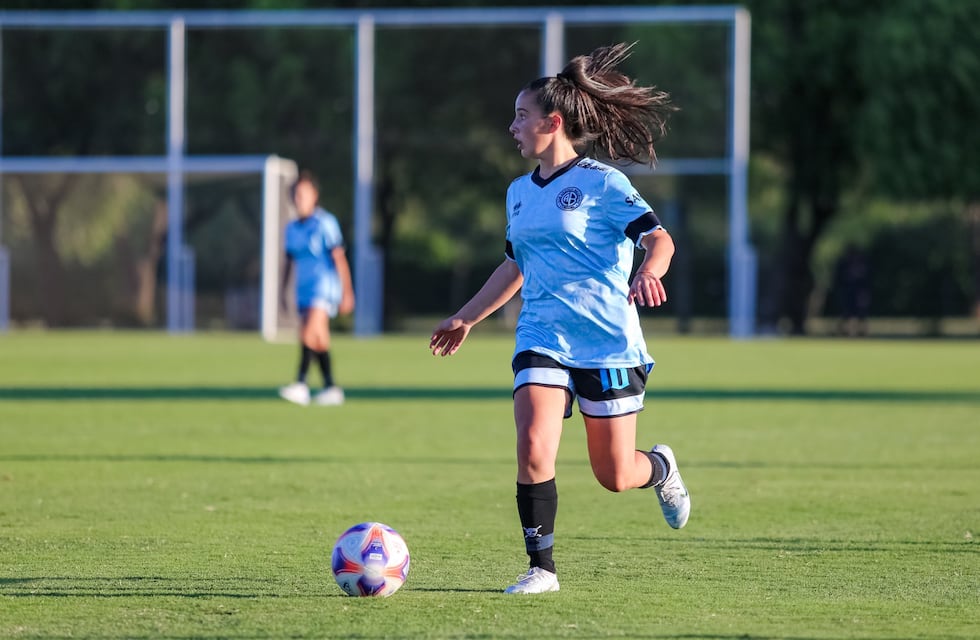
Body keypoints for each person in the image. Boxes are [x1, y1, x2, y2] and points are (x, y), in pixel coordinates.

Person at [429, 42, 691, 595]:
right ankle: (541, 568)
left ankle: (660, 468)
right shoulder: (518, 193)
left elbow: (659, 238)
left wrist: (650, 270)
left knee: (615, 475)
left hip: (607, 342)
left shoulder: (603, 183)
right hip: (542, 335)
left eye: (520, 116)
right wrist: (467, 318)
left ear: (552, 122)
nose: (512, 127)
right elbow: (514, 266)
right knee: (532, 446)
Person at [278, 171, 355, 406]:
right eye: (296, 194)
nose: (299, 199)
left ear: (314, 196)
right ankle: (331, 388)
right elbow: (289, 263)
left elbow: (339, 258)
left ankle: (300, 383)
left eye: (303, 194)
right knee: (319, 340)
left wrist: (347, 291)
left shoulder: (325, 223)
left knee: (307, 333)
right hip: (304, 289)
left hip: (324, 288)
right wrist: (282, 291)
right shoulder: (291, 229)